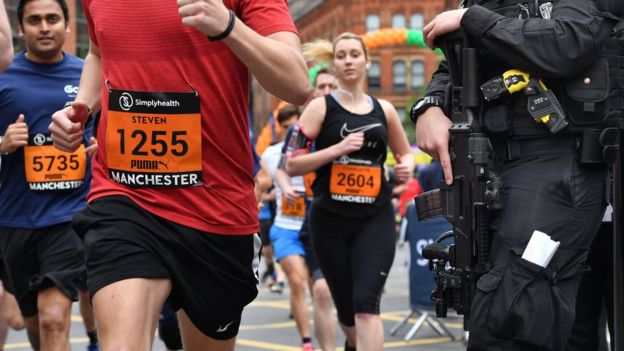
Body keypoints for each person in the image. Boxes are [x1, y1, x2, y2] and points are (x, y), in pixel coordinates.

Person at [48, 1, 309, 350]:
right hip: (124, 194)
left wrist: (228, 25)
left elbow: (295, 83)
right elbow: (98, 53)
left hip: (216, 205)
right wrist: (80, 106)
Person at [412, 1, 620, 350]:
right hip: (513, 168)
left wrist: (471, 19)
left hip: (570, 166)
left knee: (510, 320)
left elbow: (571, 41)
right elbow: (459, 62)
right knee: (542, 323)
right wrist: (430, 104)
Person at [286, 33, 415, 351]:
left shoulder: (383, 110)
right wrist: (337, 149)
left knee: (366, 305)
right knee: (346, 310)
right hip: (330, 220)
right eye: (341, 55)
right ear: (334, 63)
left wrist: (407, 167)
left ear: (366, 62)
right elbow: (292, 163)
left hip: (375, 217)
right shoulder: (319, 108)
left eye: (354, 54)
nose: (348, 60)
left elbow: (405, 152)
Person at [0, 0, 97, 350]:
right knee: (36, 327)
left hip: (68, 215)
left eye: (53, 19)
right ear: (21, 28)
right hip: (16, 219)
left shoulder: (86, 75)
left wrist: (99, 147)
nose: (44, 27)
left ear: (67, 26)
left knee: (54, 319)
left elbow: (107, 131)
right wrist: (3, 143)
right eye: (35, 20)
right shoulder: (3, 75)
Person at [262, 104, 315, 351]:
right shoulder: (271, 155)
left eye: (294, 126)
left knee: (319, 289)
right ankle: (306, 341)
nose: (289, 132)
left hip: (314, 226)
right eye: (284, 128)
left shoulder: (316, 149)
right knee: (296, 281)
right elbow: (260, 185)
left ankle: (321, 319)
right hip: (284, 227)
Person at [295, 64, 338, 351]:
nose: (325, 92)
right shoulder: (305, 127)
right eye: (320, 87)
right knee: (322, 291)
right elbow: (288, 161)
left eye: (330, 87)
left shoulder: (366, 117)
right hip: (318, 216)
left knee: (357, 303)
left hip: (362, 218)